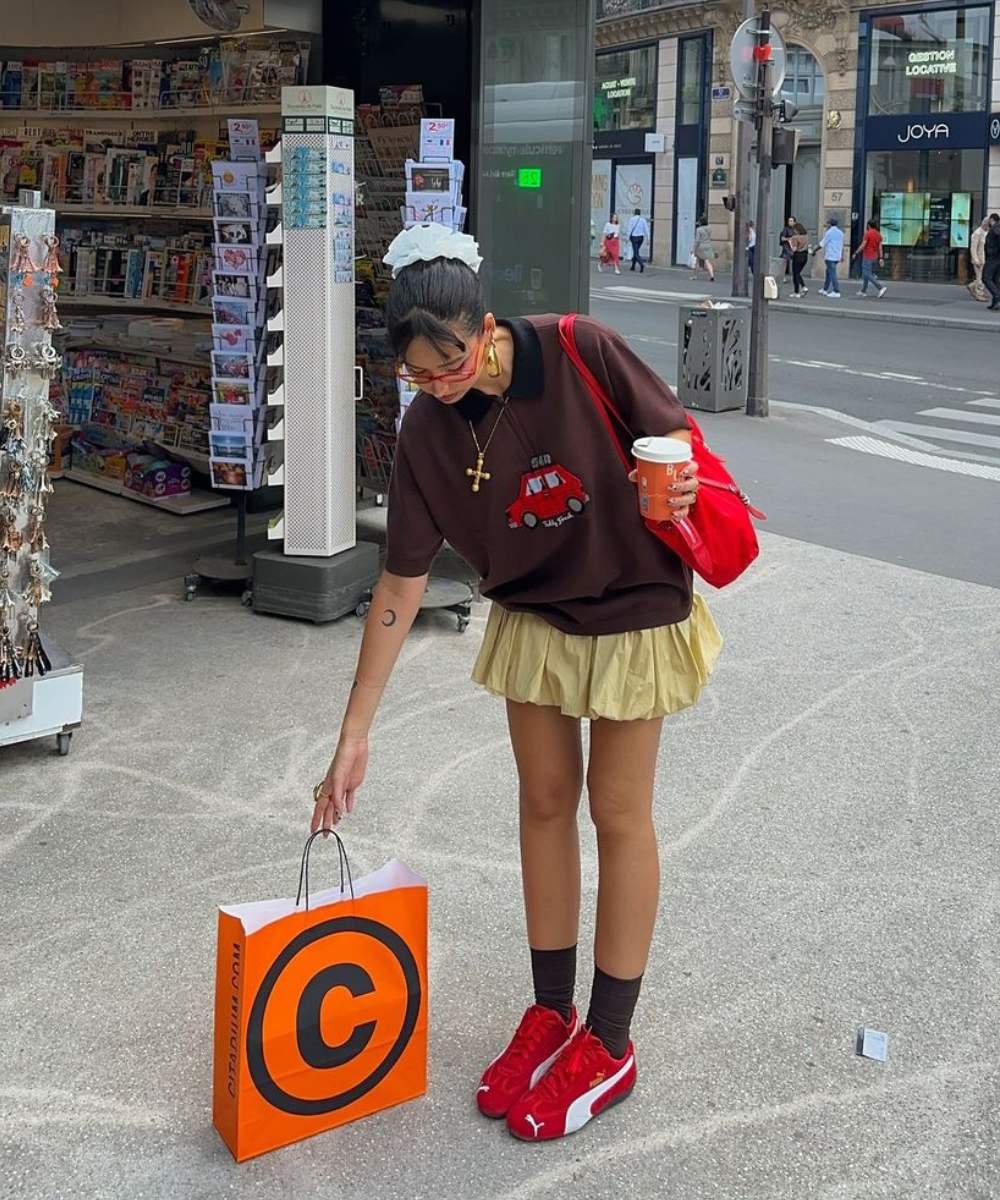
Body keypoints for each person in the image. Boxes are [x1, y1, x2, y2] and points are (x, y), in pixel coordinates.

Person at [313, 224, 722, 1144]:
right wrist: (355, 733)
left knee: (617, 812)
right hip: (534, 613)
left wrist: (681, 480)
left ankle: (609, 1040)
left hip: (631, 602)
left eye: (449, 364)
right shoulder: (423, 428)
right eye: (418, 375)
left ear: (484, 326)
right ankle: (549, 1012)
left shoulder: (581, 350)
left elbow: (673, 441)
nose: (438, 384)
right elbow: (400, 583)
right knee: (543, 804)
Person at [852, 218, 887, 299]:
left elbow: (863, 245)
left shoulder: (867, 234)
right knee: (865, 274)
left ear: (868, 225)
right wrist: (881, 258)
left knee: (867, 274)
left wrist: (856, 252)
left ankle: (880, 287)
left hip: (867, 257)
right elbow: (880, 248)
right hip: (875, 257)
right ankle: (863, 291)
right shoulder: (879, 235)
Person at [817, 216, 844, 298]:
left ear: (830, 224)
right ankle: (825, 289)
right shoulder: (841, 233)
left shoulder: (829, 232)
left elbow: (822, 244)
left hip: (830, 256)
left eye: (827, 223)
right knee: (828, 272)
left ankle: (836, 291)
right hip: (837, 256)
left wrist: (814, 251)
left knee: (832, 274)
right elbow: (841, 245)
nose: (827, 224)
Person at [788, 222, 810, 297]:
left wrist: (790, 242)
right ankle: (803, 288)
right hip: (805, 256)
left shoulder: (795, 238)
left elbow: (794, 249)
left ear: (797, 230)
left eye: (794, 230)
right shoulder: (806, 236)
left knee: (795, 274)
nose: (794, 231)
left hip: (798, 255)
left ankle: (797, 291)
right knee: (798, 273)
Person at [984, 213, 1000, 312]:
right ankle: (995, 302)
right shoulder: (996, 228)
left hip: (993, 258)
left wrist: (993, 252)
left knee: (986, 277)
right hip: (996, 257)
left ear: (991, 219)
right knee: (994, 278)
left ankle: (997, 296)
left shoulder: (995, 229)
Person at [691, 216, 715, 282]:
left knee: (697, 262)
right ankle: (712, 275)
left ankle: (695, 276)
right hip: (708, 246)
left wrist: (693, 248)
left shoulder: (699, 229)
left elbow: (697, 240)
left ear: (700, 222)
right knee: (707, 261)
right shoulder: (709, 229)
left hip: (700, 247)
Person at [626, 208, 650, 272]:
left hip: (634, 237)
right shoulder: (643, 220)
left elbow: (629, 229)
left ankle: (641, 264)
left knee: (636, 252)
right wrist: (648, 239)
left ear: (634, 213)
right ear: (640, 213)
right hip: (641, 238)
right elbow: (646, 230)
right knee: (636, 251)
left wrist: (627, 238)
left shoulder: (631, 219)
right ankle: (633, 266)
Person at [970, 217, 990, 294]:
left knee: (983, 277)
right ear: (985, 225)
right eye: (988, 226)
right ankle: (979, 293)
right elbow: (973, 248)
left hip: (986, 258)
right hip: (979, 259)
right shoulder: (977, 233)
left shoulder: (986, 232)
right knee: (979, 277)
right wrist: (976, 260)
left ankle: (972, 285)